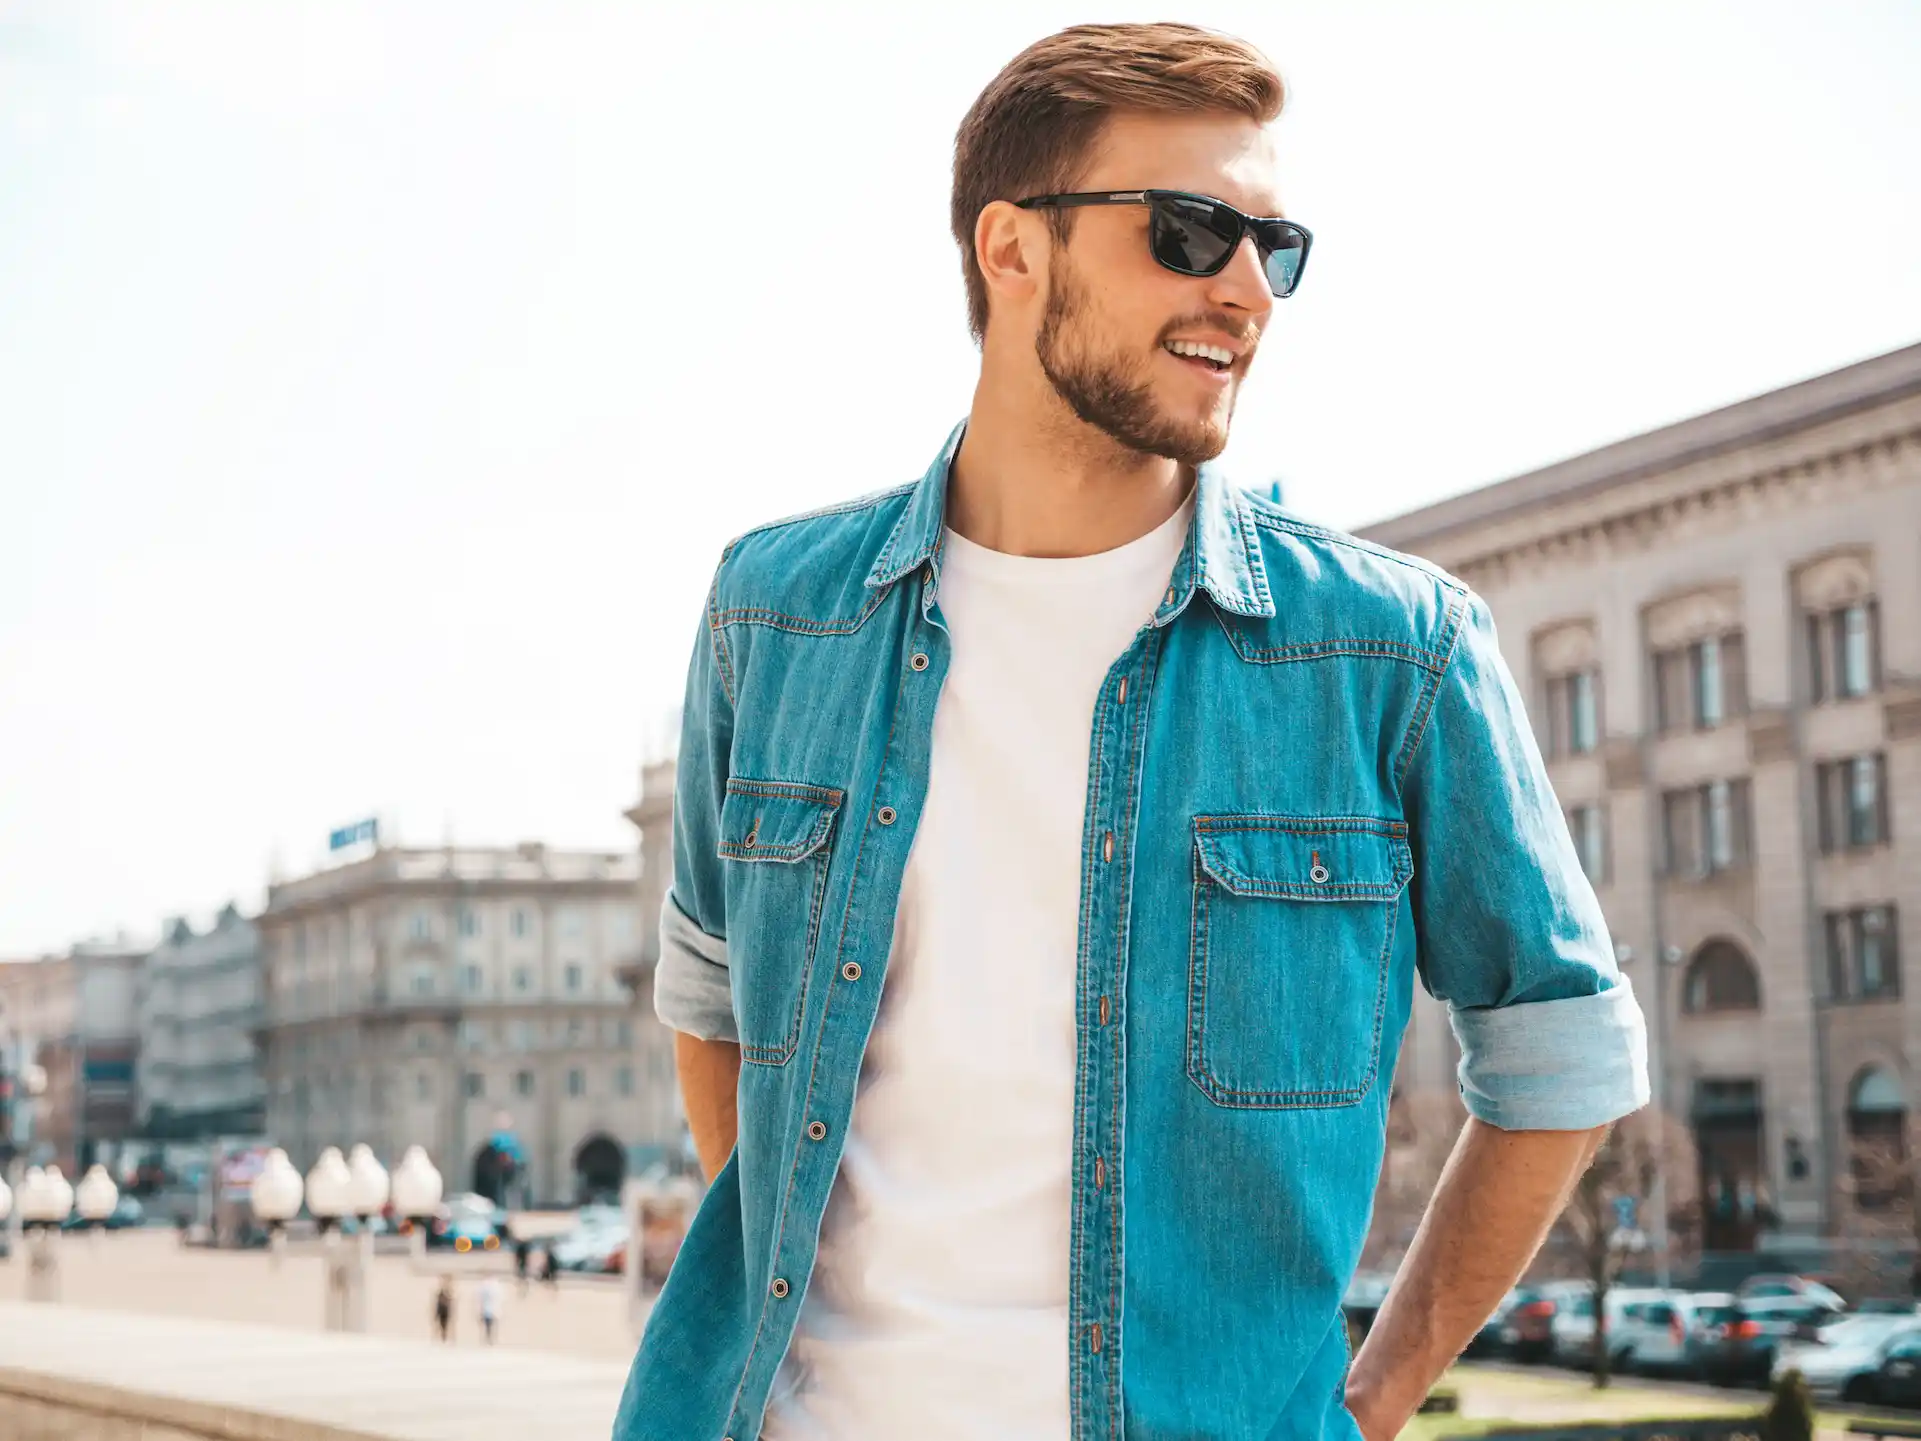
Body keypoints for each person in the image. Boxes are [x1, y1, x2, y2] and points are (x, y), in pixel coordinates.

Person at [616, 21, 1649, 1441]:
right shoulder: (775, 611)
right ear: (1010, 248)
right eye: (1189, 230)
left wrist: (1371, 1397)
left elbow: (1565, 1058)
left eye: (1272, 247)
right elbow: (711, 996)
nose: (1246, 288)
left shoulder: (1391, 650)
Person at [477, 1274, 501, 1346]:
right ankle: (489, 1338)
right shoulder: (485, 1289)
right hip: (487, 1310)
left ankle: (490, 1338)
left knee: (490, 1325)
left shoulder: (492, 1289)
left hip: (490, 1310)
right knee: (488, 1325)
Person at [433, 1276, 454, 1344]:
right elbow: (438, 1302)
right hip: (441, 1310)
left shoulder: (447, 1292)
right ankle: (441, 1337)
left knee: (445, 1324)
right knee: (441, 1324)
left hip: (445, 1310)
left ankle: (444, 1337)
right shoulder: (440, 1293)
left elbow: (450, 1299)